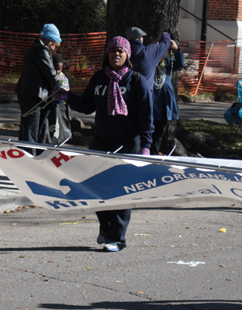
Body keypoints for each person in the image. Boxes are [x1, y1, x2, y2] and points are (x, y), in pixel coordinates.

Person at [64, 36, 153, 252]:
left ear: (127, 55)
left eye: (120, 51)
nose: (116, 54)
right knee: (93, 188)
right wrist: (65, 96)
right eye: (112, 51)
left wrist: (146, 146)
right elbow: (86, 106)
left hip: (128, 144)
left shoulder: (137, 81)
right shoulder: (98, 79)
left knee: (121, 192)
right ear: (107, 54)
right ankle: (105, 229)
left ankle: (117, 239)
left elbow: (146, 116)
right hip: (101, 142)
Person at [15, 23, 61, 145]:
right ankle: (30, 156)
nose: (55, 48)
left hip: (28, 93)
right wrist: (61, 85)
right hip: (33, 95)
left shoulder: (34, 48)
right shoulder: (41, 50)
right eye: (56, 44)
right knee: (31, 131)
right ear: (51, 41)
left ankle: (23, 155)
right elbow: (50, 73)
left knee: (27, 130)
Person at [150, 41, 184, 154]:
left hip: (164, 103)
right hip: (152, 103)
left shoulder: (168, 62)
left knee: (159, 133)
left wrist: (176, 49)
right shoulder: (150, 62)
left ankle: (154, 153)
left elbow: (180, 64)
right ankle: (146, 151)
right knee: (148, 130)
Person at [126, 26, 175, 92]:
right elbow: (165, 44)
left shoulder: (123, 53)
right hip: (145, 94)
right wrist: (165, 35)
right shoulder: (150, 52)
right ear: (141, 38)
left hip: (125, 93)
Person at [39, 54, 71, 145]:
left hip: (59, 107)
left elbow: (67, 96)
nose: (57, 72)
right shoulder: (47, 76)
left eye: (59, 69)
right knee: (46, 125)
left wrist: (68, 112)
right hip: (47, 106)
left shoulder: (63, 79)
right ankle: (44, 140)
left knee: (56, 126)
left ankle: (56, 141)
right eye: (55, 69)